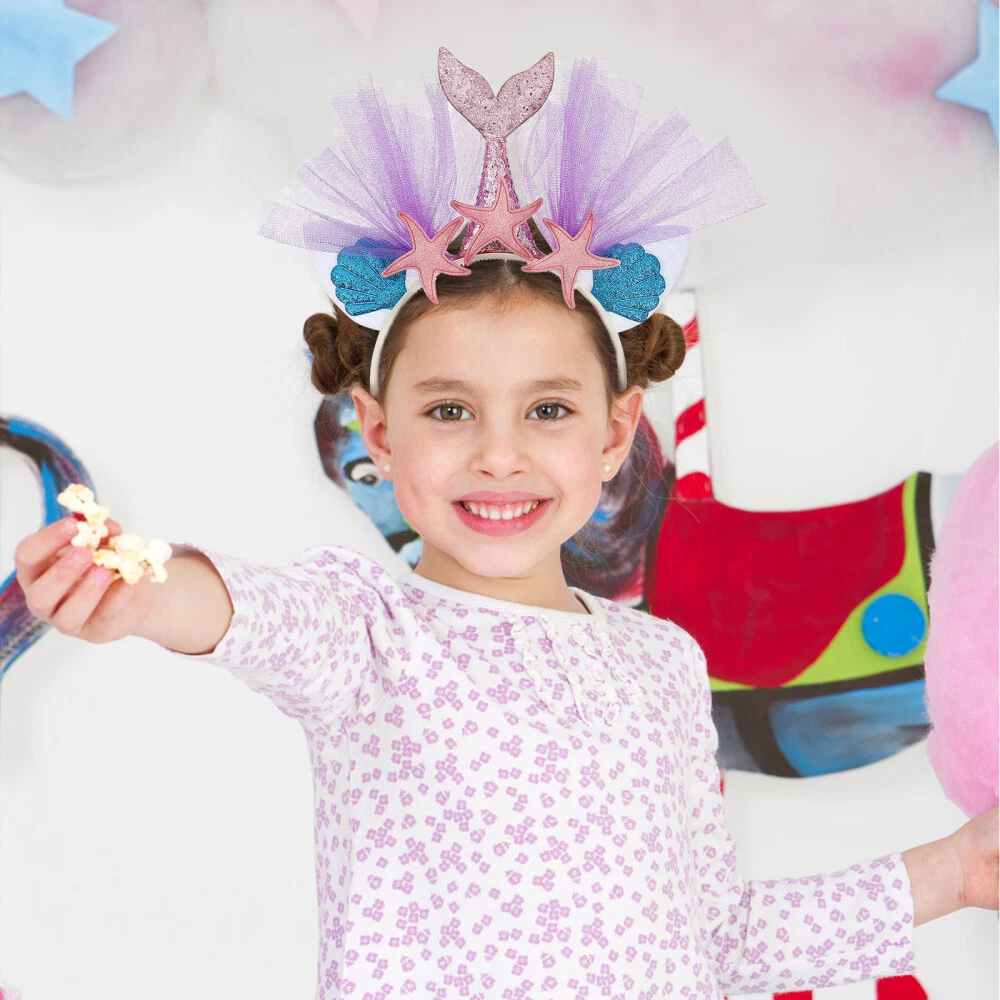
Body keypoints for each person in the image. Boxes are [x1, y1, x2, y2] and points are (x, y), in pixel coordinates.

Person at [15, 50, 998, 1000]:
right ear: (379, 432)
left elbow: (718, 934)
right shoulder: (366, 634)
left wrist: (951, 870)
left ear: (614, 432)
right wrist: (141, 585)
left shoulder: (662, 665)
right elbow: (247, 612)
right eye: (450, 410)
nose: (499, 454)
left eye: (548, 410)